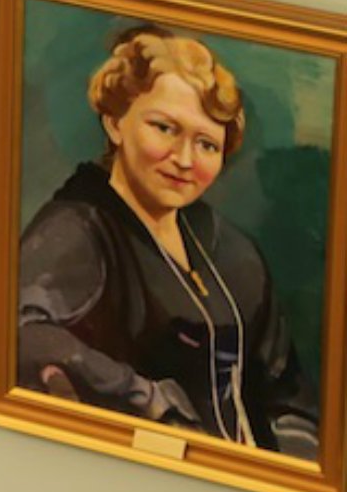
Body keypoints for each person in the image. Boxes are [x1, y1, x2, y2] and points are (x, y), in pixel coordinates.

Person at [18, 24, 318, 458]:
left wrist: (292, 469)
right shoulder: (77, 228)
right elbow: (23, 335)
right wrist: (151, 401)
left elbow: (287, 397)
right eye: (164, 128)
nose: (183, 160)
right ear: (115, 123)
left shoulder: (231, 249)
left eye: (206, 145)